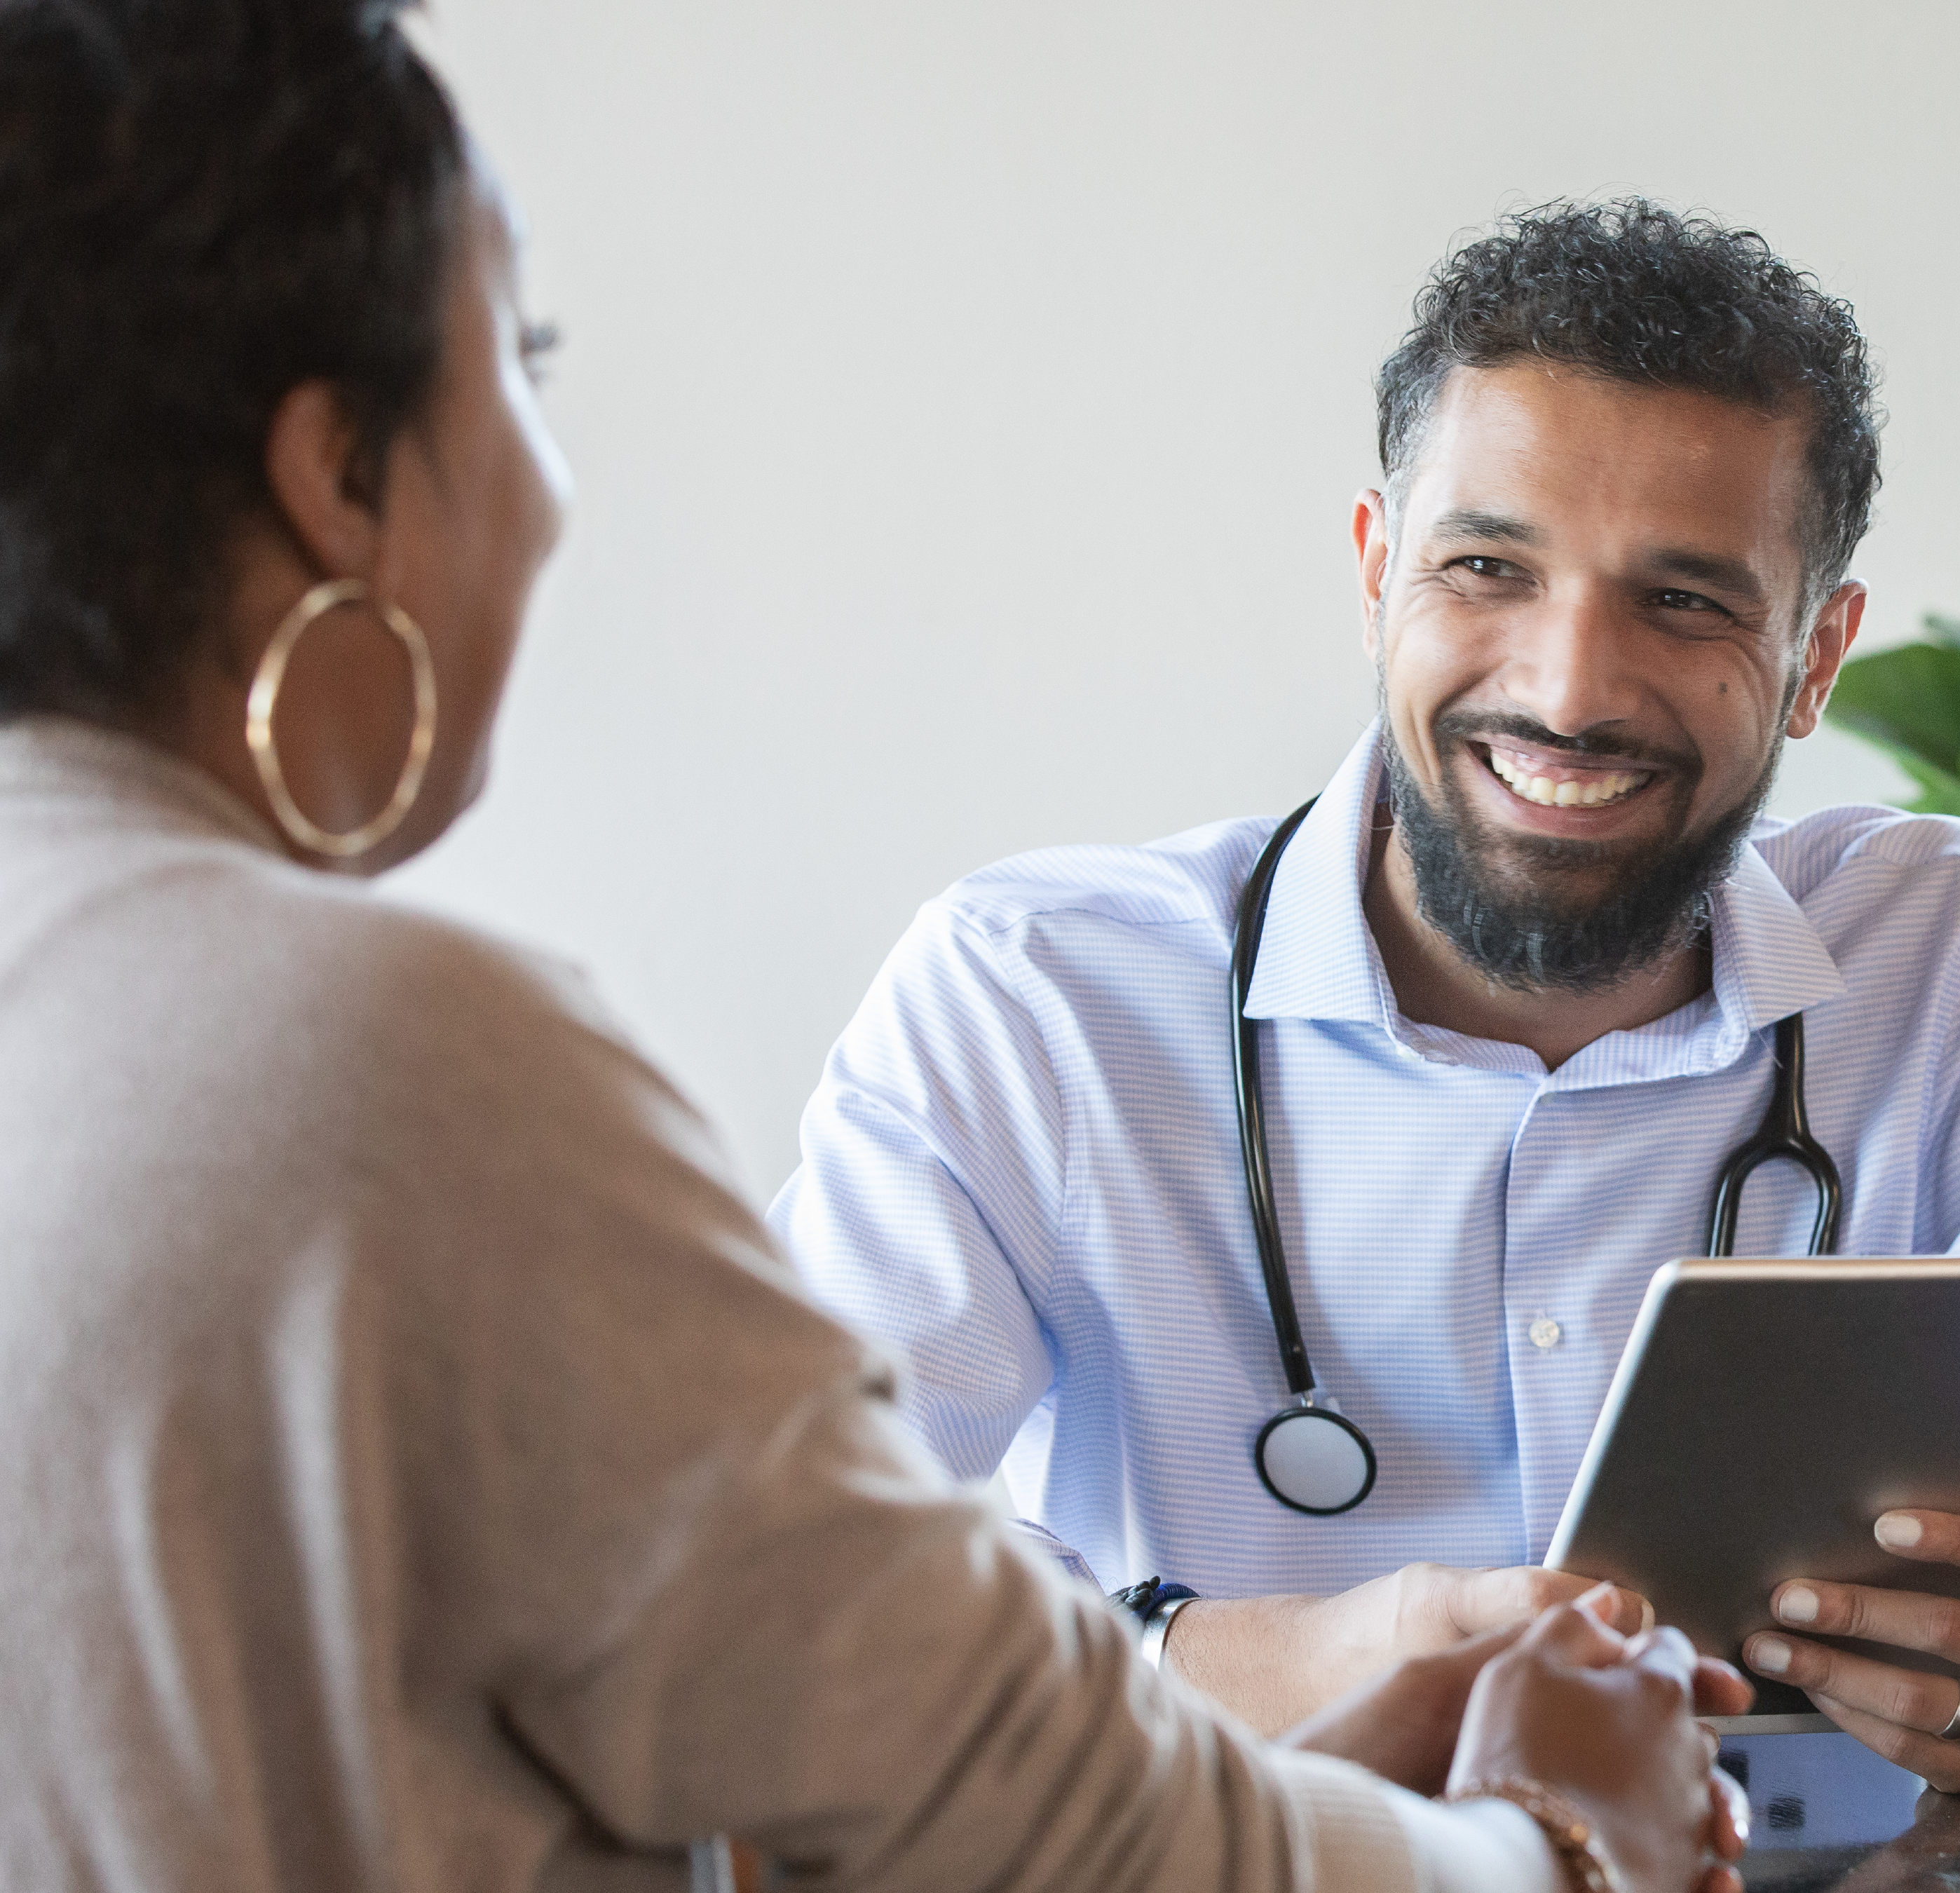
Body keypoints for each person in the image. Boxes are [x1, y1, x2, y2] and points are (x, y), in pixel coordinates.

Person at [0, 4, 1744, 1887]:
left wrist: (1309, 1750)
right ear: (339, 471)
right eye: (525, 358)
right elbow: (1029, 1820)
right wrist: (1552, 1834)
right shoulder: (390, 1061)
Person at [773, 199, 1960, 1791]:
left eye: (1688, 601)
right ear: (1378, 571)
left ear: (1816, 653)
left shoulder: (1948, 954)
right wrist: (1263, 1658)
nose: (1570, 688)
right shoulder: (1034, 999)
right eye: (1486, 567)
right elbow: (794, 1560)